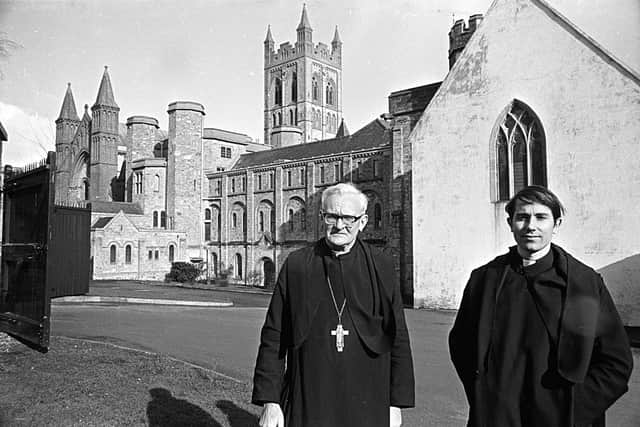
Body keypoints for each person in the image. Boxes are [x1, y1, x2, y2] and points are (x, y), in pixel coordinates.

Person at [449, 185, 633, 427]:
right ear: (510, 222)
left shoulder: (584, 283)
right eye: (522, 217)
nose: (531, 226)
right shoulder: (485, 280)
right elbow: (461, 344)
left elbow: (616, 362)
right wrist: (482, 394)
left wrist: (574, 408)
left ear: (556, 224)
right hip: (499, 416)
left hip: (562, 417)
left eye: (541, 217)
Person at [252, 182, 415, 427]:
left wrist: (395, 403)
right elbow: (275, 335)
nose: (340, 225)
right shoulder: (297, 265)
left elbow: (398, 336)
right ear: (321, 217)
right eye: (331, 216)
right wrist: (270, 401)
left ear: (363, 221)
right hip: (310, 396)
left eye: (348, 217)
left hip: (369, 399)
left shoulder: (381, 265)